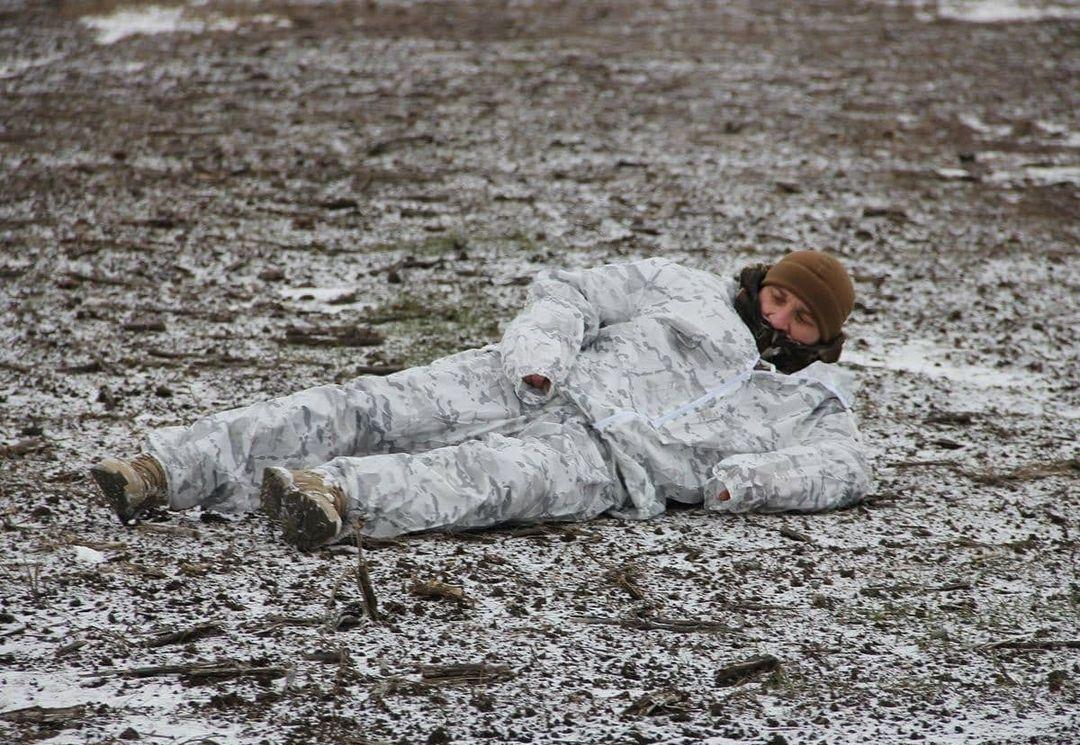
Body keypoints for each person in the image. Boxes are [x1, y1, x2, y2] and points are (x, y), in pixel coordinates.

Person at [91, 251, 873, 549]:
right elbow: (573, 290)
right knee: (364, 407)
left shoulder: (800, 402)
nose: (780, 319)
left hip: (606, 464)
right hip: (528, 380)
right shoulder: (686, 289)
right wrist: (541, 353)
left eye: (801, 318)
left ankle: (328, 497)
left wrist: (743, 483)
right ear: (764, 282)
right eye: (779, 298)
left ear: (819, 337)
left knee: (471, 484)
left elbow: (846, 468)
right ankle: (165, 467)